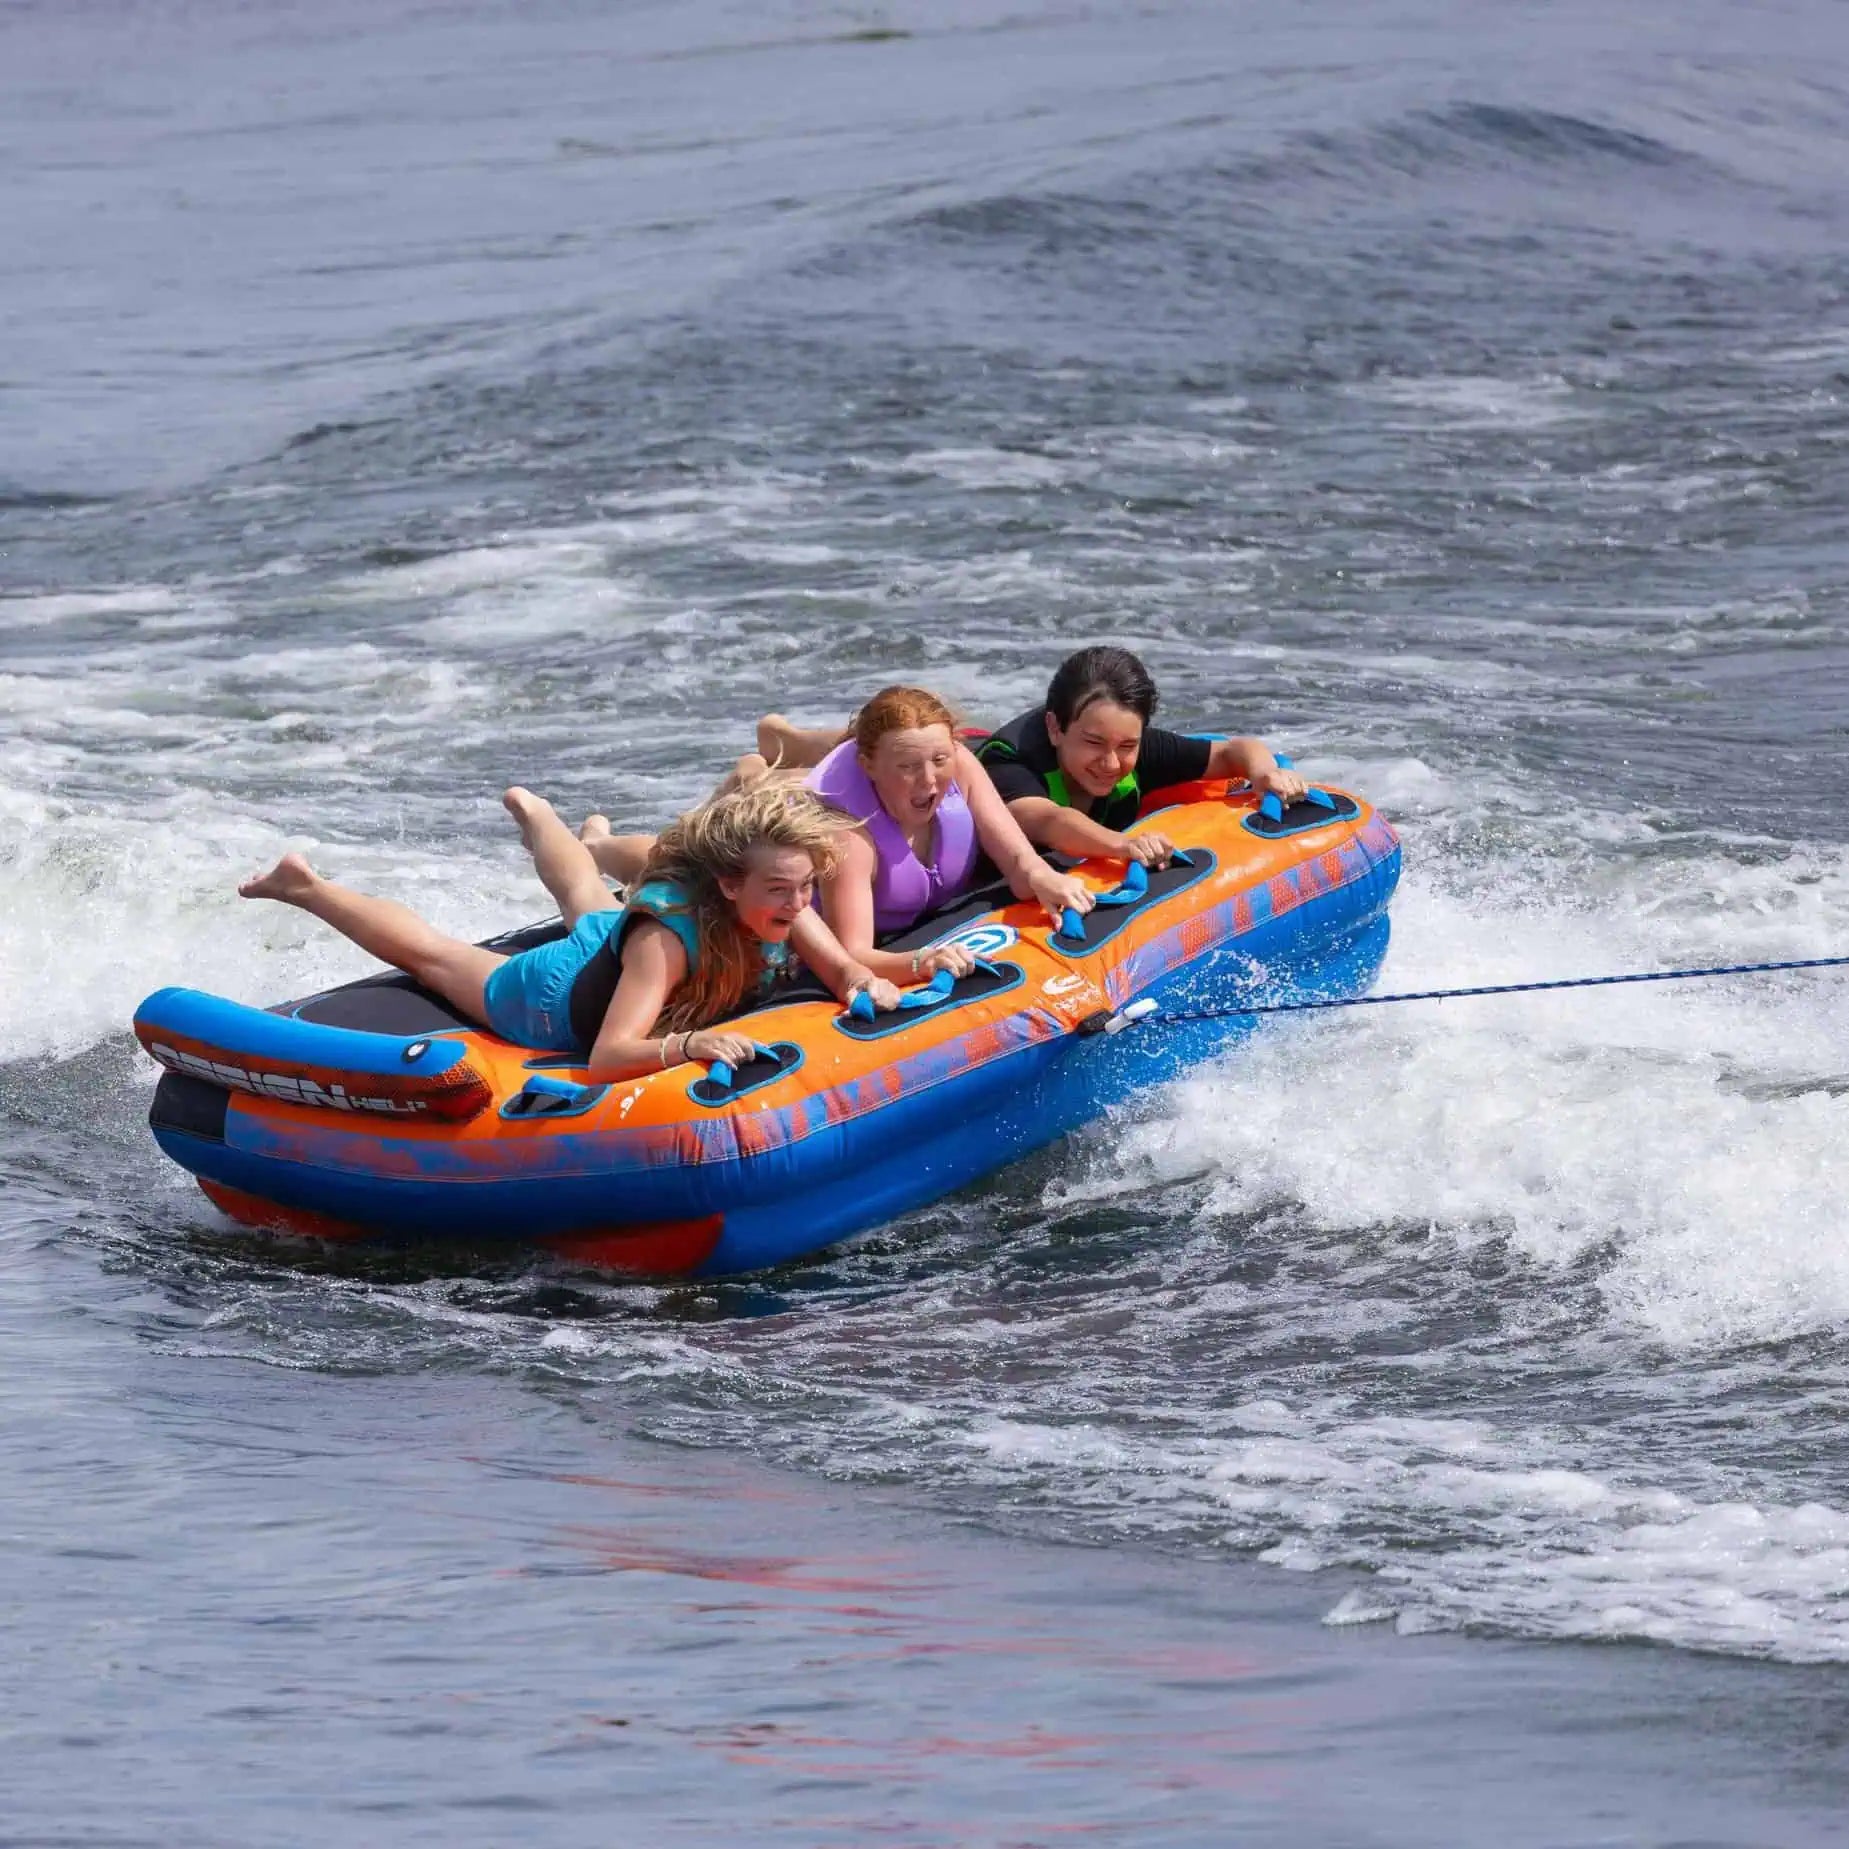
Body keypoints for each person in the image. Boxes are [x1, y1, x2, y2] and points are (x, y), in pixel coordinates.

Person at [238, 783, 900, 1081]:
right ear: (729, 886)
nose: (797, 903)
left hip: (613, 946)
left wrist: (863, 977)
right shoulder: (664, 942)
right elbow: (611, 1055)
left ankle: (539, 813)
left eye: (805, 886)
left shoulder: (786, 905)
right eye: (780, 889)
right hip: (553, 1000)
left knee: (587, 894)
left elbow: (843, 970)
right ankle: (307, 886)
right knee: (434, 955)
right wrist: (691, 1043)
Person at [756, 646, 1309, 869]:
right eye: (1092, 743)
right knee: (855, 754)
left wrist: (1266, 773)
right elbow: (1045, 820)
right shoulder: (1012, 763)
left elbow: (1236, 750)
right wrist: (1121, 844)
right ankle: (779, 745)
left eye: (1126, 746)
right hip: (958, 755)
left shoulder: (1133, 751)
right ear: (1055, 726)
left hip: (958, 744)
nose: (1112, 764)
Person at [802, 686, 1094, 986]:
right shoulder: (849, 832)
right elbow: (852, 955)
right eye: (908, 767)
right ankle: (766, 757)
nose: (929, 780)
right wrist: (921, 962)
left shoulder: (961, 765)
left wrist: (1042, 876)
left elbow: (1020, 862)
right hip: (817, 819)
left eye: (940, 760)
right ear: (868, 767)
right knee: (779, 785)